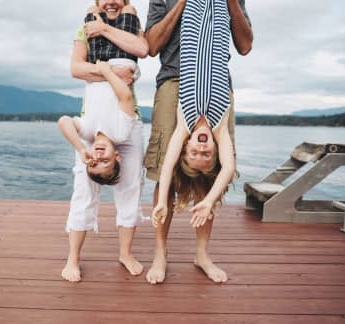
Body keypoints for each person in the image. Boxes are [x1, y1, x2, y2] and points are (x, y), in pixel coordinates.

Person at [144, 0, 253, 284]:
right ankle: (160, 253)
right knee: (163, 177)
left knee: (208, 174)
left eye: (195, 151)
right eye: (205, 151)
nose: (202, 147)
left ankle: (202, 254)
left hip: (212, 85)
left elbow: (245, 45)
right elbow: (151, 45)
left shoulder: (188, 127)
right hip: (172, 79)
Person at [61, 0, 148, 283]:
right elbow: (75, 69)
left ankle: (125, 252)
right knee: (84, 190)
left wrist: (101, 33)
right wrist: (111, 72)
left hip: (117, 125)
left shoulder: (131, 19)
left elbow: (142, 50)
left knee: (130, 188)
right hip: (109, 121)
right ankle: (73, 258)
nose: (111, 1)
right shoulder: (83, 25)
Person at [58, 59, 137, 185]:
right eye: (105, 162)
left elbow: (64, 121)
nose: (99, 157)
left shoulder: (87, 133)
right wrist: (106, 71)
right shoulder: (120, 133)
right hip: (116, 64)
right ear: (117, 157)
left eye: (93, 162)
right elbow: (125, 97)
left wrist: (82, 149)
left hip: (94, 65)